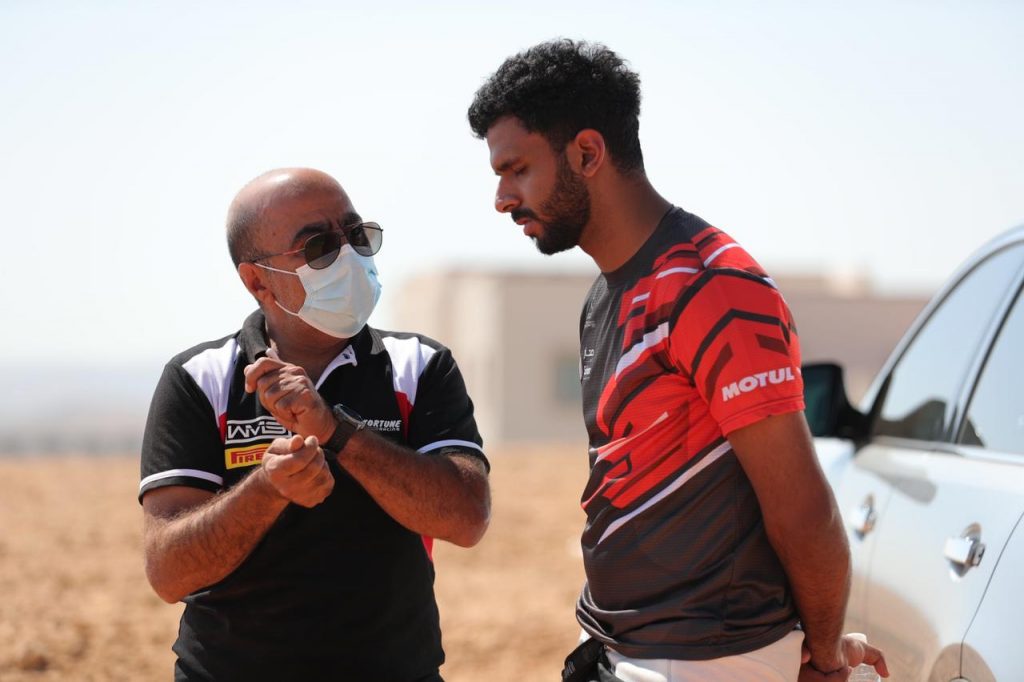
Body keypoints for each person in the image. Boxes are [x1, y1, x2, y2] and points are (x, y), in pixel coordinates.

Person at [468, 40, 888, 682]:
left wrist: (825, 658)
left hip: (706, 661)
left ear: (587, 154)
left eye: (517, 169)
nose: (502, 197)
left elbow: (803, 509)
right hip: (622, 648)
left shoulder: (712, 286)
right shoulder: (604, 296)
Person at [138, 168, 490, 681]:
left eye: (356, 234)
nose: (348, 255)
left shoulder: (418, 366)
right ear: (257, 281)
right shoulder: (199, 379)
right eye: (319, 246)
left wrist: (338, 433)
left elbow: (467, 518)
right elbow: (168, 572)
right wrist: (266, 490)